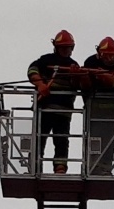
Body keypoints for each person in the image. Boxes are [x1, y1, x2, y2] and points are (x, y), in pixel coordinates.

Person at [27, 30, 80, 174]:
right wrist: (40, 85)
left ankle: (60, 168)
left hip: (63, 112)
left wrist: (76, 76)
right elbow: (32, 70)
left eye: (68, 47)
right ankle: (35, 167)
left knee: (61, 141)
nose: (66, 50)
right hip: (44, 110)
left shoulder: (74, 66)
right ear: (56, 47)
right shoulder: (46, 61)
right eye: (63, 47)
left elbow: (79, 85)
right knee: (39, 139)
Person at [82, 37, 114, 176]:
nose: (108, 59)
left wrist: (105, 77)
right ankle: (93, 166)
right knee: (95, 138)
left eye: (111, 56)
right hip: (95, 108)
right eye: (105, 56)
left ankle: (106, 167)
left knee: (109, 140)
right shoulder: (90, 62)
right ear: (99, 54)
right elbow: (86, 83)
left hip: (111, 110)